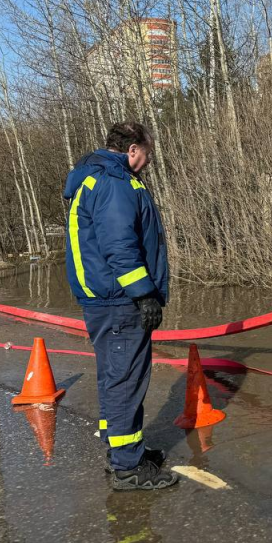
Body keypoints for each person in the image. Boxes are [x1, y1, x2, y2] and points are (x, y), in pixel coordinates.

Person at [63, 121, 178, 491]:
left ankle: (126, 451)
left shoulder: (96, 178)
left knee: (117, 376)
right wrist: (144, 294)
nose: (148, 162)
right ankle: (127, 468)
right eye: (147, 154)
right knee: (125, 380)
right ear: (132, 150)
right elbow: (120, 247)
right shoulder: (114, 184)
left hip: (107, 299)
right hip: (119, 301)